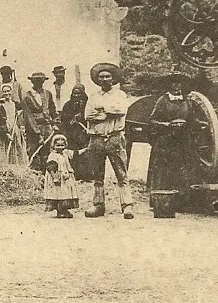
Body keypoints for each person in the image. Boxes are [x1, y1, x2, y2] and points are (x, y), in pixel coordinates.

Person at [83, 63, 134, 219]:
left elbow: (120, 111)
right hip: (96, 138)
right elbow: (88, 115)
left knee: (121, 173)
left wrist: (102, 110)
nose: (104, 79)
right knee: (97, 175)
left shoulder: (120, 95)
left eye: (107, 76)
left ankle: (127, 206)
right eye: (101, 77)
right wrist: (107, 112)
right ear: (97, 80)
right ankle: (98, 205)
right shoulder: (93, 97)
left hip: (114, 137)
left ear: (113, 79)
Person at [146, 72, 198, 207]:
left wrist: (190, 125)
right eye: (174, 83)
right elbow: (152, 120)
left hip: (183, 140)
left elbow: (193, 120)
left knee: (182, 169)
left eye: (179, 83)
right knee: (163, 170)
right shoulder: (162, 100)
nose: (177, 85)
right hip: (166, 141)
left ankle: (181, 202)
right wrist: (167, 125)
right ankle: (161, 202)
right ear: (169, 85)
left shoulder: (187, 101)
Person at [23, 72, 58, 170]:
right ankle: (36, 176)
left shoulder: (47, 94)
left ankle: (47, 175)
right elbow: (29, 117)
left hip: (47, 128)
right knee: (34, 152)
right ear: (32, 82)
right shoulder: (26, 96)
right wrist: (37, 134)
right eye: (37, 80)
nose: (39, 83)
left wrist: (55, 122)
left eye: (41, 80)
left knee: (48, 152)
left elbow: (53, 110)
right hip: (33, 129)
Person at [60, 84, 91, 181]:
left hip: (84, 132)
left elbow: (91, 116)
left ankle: (87, 176)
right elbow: (63, 117)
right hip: (72, 133)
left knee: (85, 152)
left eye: (79, 93)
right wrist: (71, 119)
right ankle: (75, 175)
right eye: (74, 93)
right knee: (74, 153)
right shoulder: (68, 104)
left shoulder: (88, 104)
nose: (76, 95)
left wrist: (81, 116)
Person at [45, 134, 80, 218]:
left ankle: (64, 209)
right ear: (53, 145)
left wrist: (86, 149)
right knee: (58, 194)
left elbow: (75, 153)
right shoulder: (53, 155)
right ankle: (60, 211)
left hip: (65, 178)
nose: (60, 147)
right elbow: (51, 168)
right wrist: (55, 178)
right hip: (57, 178)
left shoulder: (65, 153)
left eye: (62, 145)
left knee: (66, 194)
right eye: (58, 145)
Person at [0, 82, 26, 165]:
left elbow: (23, 110)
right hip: (4, 131)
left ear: (11, 92)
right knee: (4, 150)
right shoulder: (0, 105)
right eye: (4, 91)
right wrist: (6, 133)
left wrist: (19, 113)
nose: (6, 93)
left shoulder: (15, 104)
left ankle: (16, 167)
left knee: (16, 149)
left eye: (8, 91)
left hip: (14, 130)